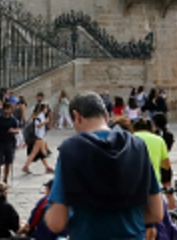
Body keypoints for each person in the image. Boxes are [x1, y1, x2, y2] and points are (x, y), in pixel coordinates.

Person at [44, 91, 163, 240]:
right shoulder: (138, 146)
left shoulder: (71, 149)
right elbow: (156, 214)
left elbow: (56, 223)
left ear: (77, 116)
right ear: (106, 116)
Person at [0, 99, 19, 183]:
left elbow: (17, 130)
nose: (7, 111)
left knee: (8, 162)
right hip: (0, 142)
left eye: (9, 109)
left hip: (9, 142)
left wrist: (13, 131)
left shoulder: (13, 119)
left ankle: (5, 178)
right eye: (6, 109)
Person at [23, 102, 54, 174]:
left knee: (40, 153)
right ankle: (26, 166)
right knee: (36, 152)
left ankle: (47, 167)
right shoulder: (40, 116)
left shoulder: (40, 115)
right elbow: (38, 126)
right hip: (39, 137)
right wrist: (45, 122)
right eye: (46, 108)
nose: (47, 109)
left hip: (40, 136)